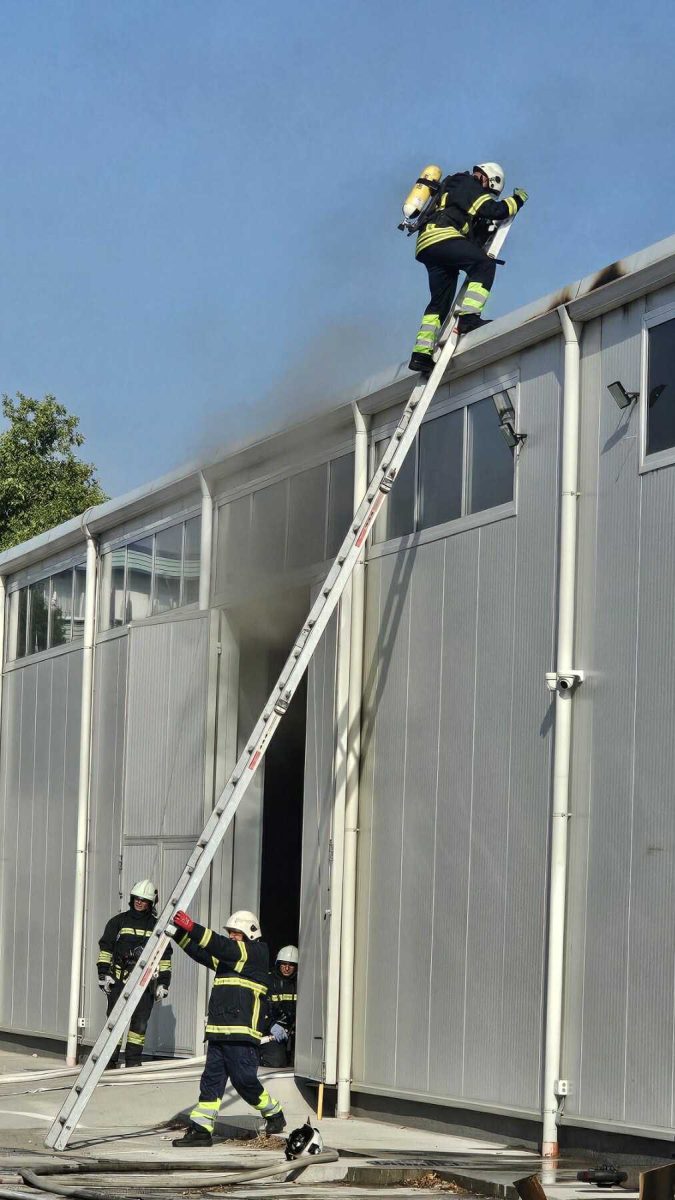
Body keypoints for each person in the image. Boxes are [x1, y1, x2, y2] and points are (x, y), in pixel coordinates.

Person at [170, 908, 285, 1146]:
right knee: (210, 1081)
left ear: (250, 934)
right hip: (219, 1031)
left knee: (243, 1080)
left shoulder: (256, 953)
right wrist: (179, 935)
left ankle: (274, 1112)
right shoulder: (232, 959)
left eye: (236, 932)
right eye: (230, 932)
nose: (232, 936)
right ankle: (201, 1130)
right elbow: (203, 953)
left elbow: (222, 946)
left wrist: (192, 927)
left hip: (241, 1034)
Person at [408, 162, 528, 374]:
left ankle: (421, 354)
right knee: (484, 265)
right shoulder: (467, 182)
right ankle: (468, 318)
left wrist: (486, 230)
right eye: (489, 191)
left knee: (440, 303)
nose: (486, 195)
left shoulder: (455, 190)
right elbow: (495, 210)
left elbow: (471, 238)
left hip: (427, 244)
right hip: (442, 237)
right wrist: (517, 200)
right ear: (488, 179)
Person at [97, 878, 171, 1069]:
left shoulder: (157, 927)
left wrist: (163, 983)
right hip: (119, 981)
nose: (139, 902)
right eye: (137, 898)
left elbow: (164, 957)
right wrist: (103, 974)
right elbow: (106, 949)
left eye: (144, 900)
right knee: (114, 1023)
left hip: (145, 983)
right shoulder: (118, 922)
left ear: (151, 903)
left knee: (139, 1026)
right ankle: (108, 1061)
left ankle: (133, 1062)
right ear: (131, 899)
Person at [260, 944, 298, 1068]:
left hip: (293, 1032)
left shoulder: (301, 983)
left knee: (300, 1064)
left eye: (291, 965)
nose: (287, 968)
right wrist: (271, 1025)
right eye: (284, 964)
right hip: (271, 1031)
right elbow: (259, 1008)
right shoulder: (268, 981)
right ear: (278, 963)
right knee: (276, 1061)